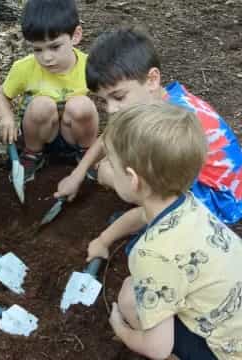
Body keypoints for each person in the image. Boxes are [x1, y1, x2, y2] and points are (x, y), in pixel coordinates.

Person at [88, 103, 242, 360]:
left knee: (129, 297)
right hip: (233, 317)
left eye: (111, 166)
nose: (106, 168)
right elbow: (141, 216)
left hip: (226, 352)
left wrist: (120, 328)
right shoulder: (190, 204)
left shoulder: (152, 254)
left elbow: (156, 349)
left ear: (132, 178)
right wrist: (104, 239)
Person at [56, 28, 242, 224]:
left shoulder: (168, 122)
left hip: (219, 203)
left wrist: (111, 178)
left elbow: (163, 184)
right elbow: (111, 133)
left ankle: (149, 219)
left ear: (152, 79)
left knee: (110, 171)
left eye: (118, 97)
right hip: (208, 183)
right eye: (104, 100)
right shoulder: (158, 100)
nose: (110, 109)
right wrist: (77, 174)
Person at [0, 0, 98, 183]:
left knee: (82, 105)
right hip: (41, 135)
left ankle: (87, 153)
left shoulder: (89, 66)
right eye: (37, 49)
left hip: (73, 134)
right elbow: (2, 95)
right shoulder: (24, 68)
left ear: (76, 35)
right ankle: (32, 155)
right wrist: (6, 117)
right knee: (41, 104)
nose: (47, 58)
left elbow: (109, 95)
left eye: (55, 46)